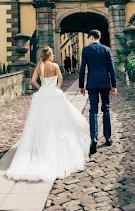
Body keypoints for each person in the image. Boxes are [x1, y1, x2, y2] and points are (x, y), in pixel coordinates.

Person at [5, 46, 91, 182]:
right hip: (54, 94)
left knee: (41, 122)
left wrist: (41, 88)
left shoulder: (39, 66)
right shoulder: (55, 65)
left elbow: (33, 81)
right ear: (50, 55)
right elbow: (61, 79)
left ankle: (41, 148)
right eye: (52, 54)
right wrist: (56, 88)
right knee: (59, 122)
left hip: (43, 94)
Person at [78, 29, 117, 155]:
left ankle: (93, 138)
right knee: (106, 108)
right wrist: (114, 85)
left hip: (92, 84)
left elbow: (83, 67)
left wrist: (81, 85)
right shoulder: (106, 49)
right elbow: (111, 68)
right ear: (99, 37)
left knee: (93, 110)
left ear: (91, 37)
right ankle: (108, 137)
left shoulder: (86, 50)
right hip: (105, 83)